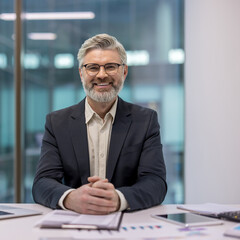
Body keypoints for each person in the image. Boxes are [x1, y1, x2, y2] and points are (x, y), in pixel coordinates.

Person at [32, 33, 167, 215]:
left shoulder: (145, 120)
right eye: (93, 68)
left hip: (128, 225)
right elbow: (42, 183)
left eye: (110, 67)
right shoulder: (57, 123)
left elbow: (155, 182)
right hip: (74, 224)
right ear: (81, 73)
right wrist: (72, 198)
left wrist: (119, 198)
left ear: (124, 72)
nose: (102, 75)